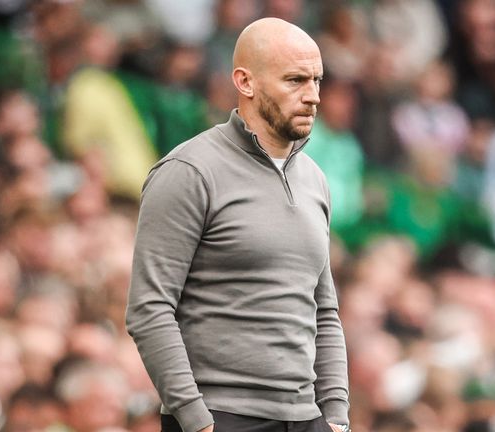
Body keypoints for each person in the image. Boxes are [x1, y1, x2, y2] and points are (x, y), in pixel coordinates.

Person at [126, 17, 351, 432]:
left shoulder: (315, 179)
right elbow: (149, 308)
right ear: (245, 82)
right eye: (296, 80)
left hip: (306, 419)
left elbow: (324, 311)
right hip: (221, 416)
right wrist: (195, 419)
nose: (314, 96)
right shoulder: (189, 170)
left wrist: (336, 416)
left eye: (317, 80)